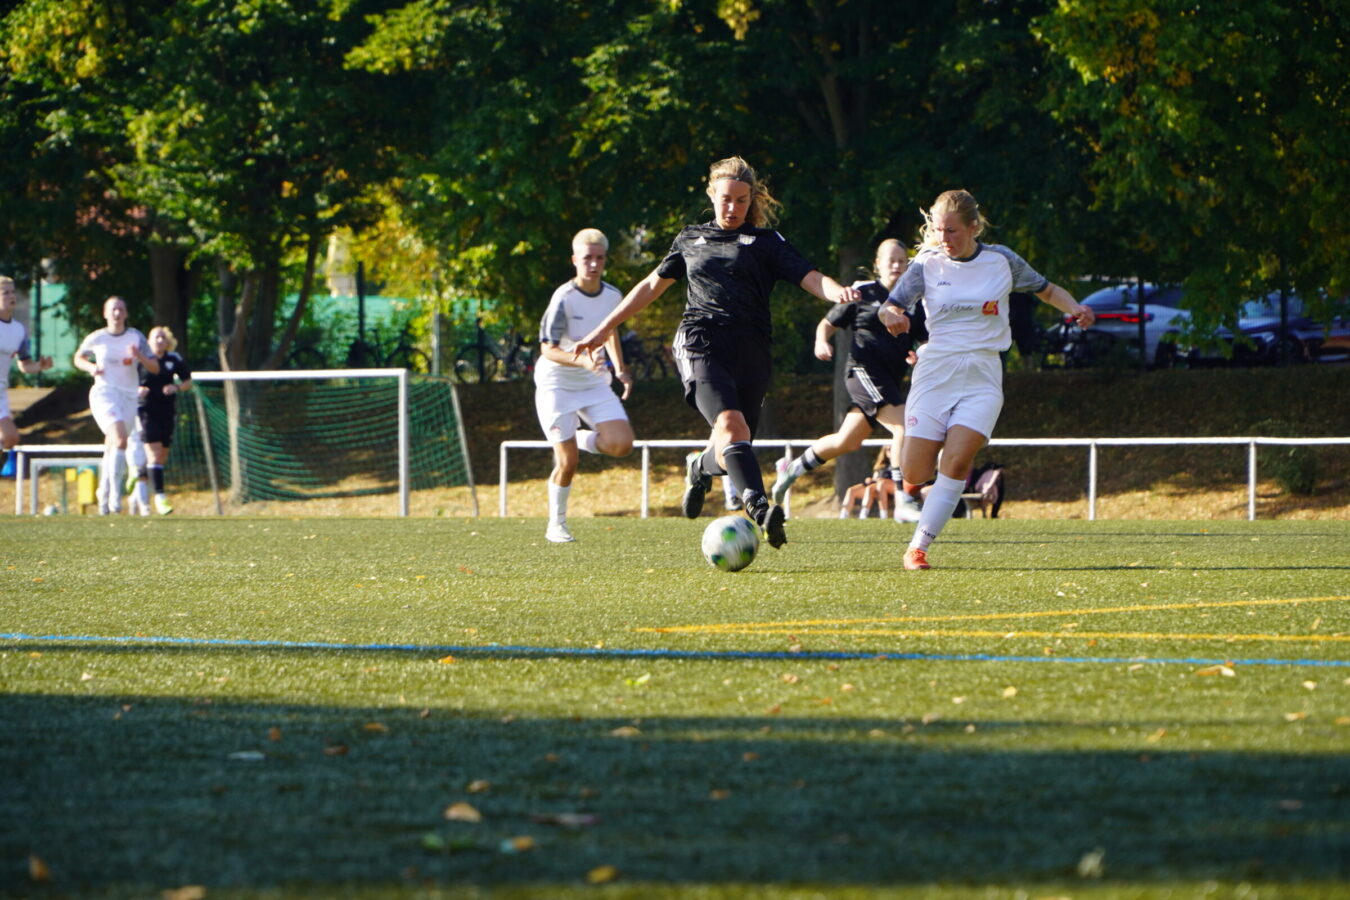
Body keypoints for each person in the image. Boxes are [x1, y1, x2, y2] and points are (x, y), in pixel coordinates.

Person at [573, 156, 859, 549]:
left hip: (752, 352)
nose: (733, 207)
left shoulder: (766, 242)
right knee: (730, 426)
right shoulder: (691, 239)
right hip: (700, 342)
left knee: (732, 446)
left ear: (751, 200)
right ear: (712, 196)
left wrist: (839, 292)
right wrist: (604, 328)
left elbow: (810, 277)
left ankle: (699, 466)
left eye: (742, 200)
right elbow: (650, 287)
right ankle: (760, 508)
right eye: (726, 199)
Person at [878, 189, 1094, 569]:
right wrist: (892, 315)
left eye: (952, 231)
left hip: (982, 375)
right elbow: (889, 306)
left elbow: (1047, 290)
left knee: (957, 462)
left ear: (974, 227)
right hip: (935, 372)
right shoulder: (927, 263)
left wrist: (1075, 307)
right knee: (914, 471)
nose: (944, 238)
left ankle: (918, 548)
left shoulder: (1001, 260)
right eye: (939, 230)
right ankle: (931, 456)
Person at [770, 238, 927, 522]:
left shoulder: (913, 302)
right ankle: (903, 499)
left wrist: (920, 356)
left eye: (901, 261)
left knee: (848, 441)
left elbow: (923, 340)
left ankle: (791, 469)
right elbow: (827, 323)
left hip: (890, 380)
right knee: (904, 425)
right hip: (863, 372)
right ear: (877, 264)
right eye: (890, 260)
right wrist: (821, 341)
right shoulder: (862, 292)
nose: (896, 265)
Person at [534, 228, 635, 543]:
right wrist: (582, 362)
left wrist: (620, 370)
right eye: (587, 258)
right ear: (574, 260)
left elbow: (610, 331)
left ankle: (577, 437)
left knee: (622, 444)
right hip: (556, 383)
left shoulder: (613, 296)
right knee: (568, 462)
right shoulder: (564, 298)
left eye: (599, 258)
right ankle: (556, 525)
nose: (593, 264)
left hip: (592, 381)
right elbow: (547, 349)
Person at [73, 296, 159, 515]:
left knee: (113, 446)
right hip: (104, 393)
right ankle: (114, 496)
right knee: (120, 439)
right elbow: (78, 358)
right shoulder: (97, 338)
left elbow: (155, 367)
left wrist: (139, 355)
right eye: (113, 310)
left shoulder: (135, 337)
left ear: (126, 313)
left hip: (129, 397)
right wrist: (91, 367)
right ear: (105, 314)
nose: (117, 313)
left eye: (121, 309)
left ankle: (103, 493)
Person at [134, 326, 192, 515]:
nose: (159, 340)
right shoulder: (141, 359)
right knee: (155, 453)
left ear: (167, 341)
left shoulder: (174, 358)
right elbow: (126, 381)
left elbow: (188, 381)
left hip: (167, 410)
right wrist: (137, 391)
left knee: (161, 457)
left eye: (162, 337)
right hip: (145, 410)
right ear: (148, 342)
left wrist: (177, 387)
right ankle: (159, 496)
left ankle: (139, 474)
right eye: (156, 337)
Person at [0, 276, 55, 474]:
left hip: (1, 393)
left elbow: (25, 364)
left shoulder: (19, 330)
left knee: (11, 438)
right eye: (5, 292)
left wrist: (40, 366)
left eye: (13, 292)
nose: (11, 296)